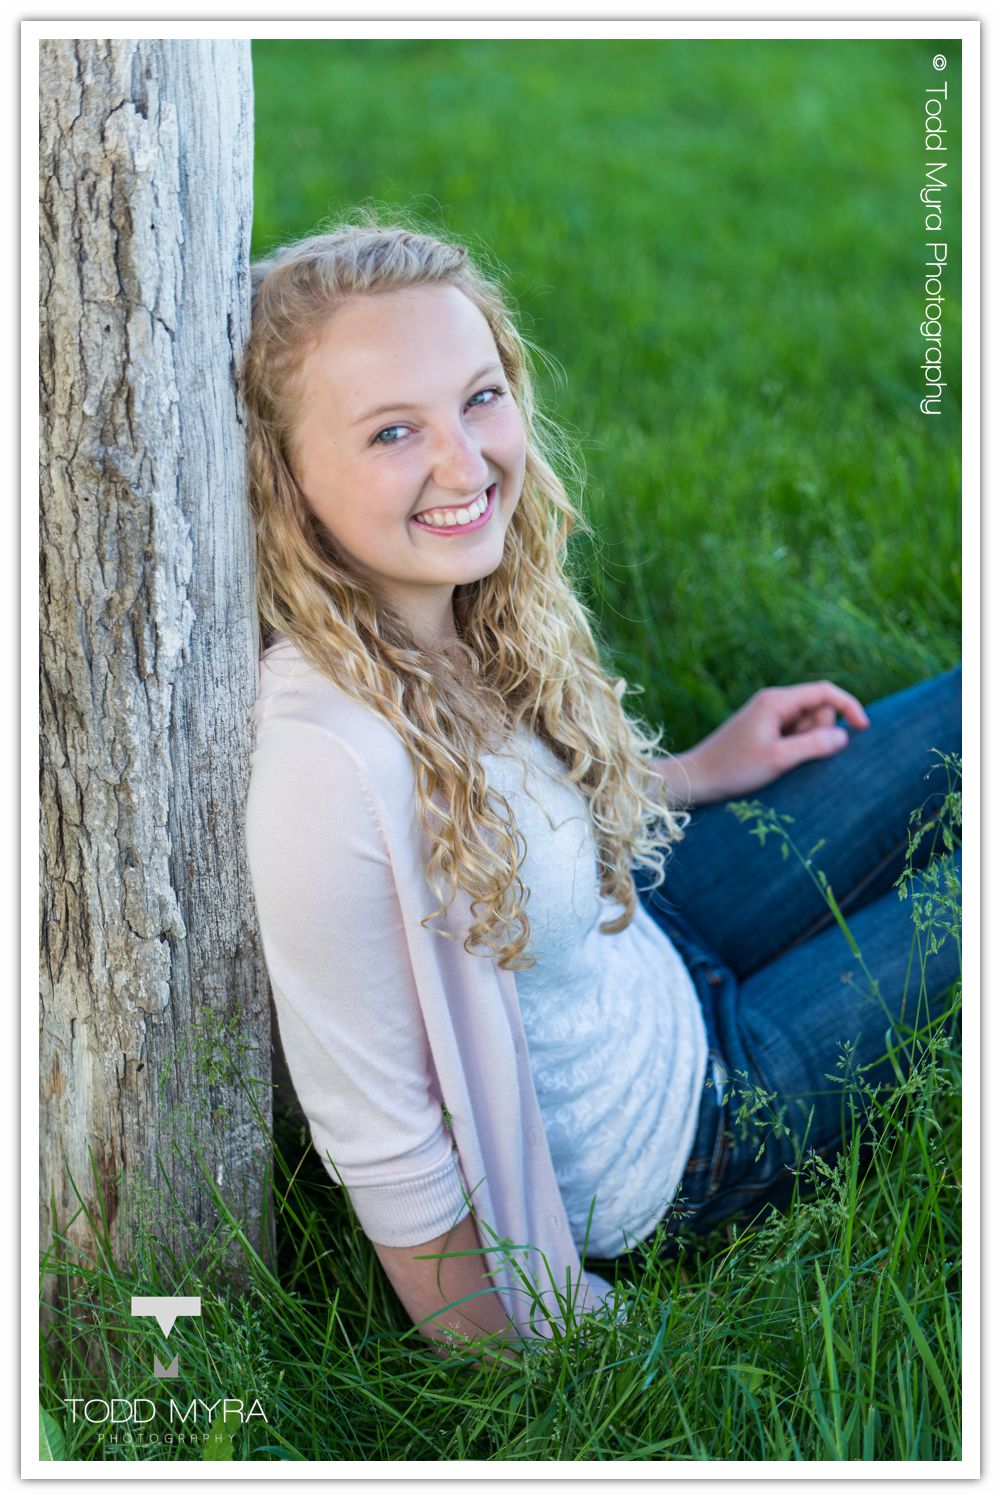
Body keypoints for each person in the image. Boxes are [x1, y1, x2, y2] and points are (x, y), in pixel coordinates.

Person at [242, 213, 961, 1365]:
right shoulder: (326, 763)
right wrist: (538, 1353)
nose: (464, 464)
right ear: (285, 480)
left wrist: (696, 773)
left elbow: (512, 839)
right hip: (688, 1132)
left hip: (654, 934)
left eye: (477, 398)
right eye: (391, 432)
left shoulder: (442, 608)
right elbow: (377, 1133)